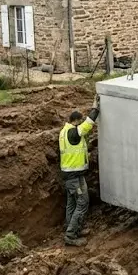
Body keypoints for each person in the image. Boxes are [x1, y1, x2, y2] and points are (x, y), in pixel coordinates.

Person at [59, 96, 100, 246]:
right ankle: (71, 235)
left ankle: (73, 228)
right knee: (82, 202)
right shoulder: (72, 133)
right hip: (74, 176)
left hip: (71, 175)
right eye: (79, 121)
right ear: (76, 121)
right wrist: (95, 108)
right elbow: (88, 125)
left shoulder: (64, 131)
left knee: (72, 203)